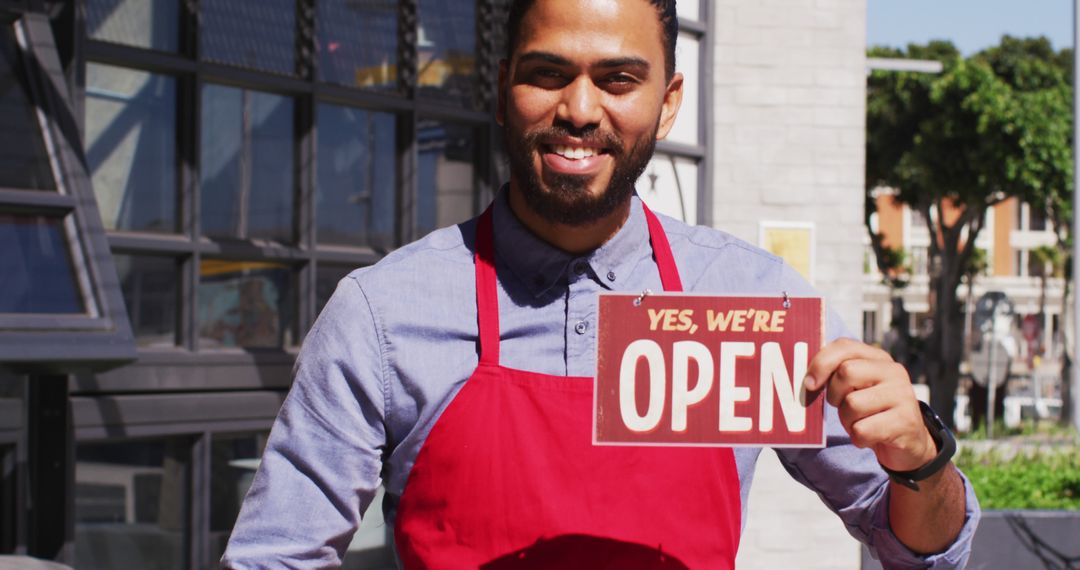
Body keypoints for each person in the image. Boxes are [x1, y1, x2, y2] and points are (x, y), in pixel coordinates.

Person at [222, 0, 979, 568]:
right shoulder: (383, 315)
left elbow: (924, 548)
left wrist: (920, 460)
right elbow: (273, 557)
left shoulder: (755, 303)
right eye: (548, 74)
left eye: (617, 79)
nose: (580, 110)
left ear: (668, 101)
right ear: (501, 89)